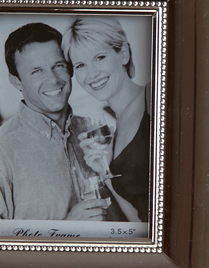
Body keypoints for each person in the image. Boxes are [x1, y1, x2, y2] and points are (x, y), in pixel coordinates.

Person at [0, 22, 110, 221]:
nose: (53, 80)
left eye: (58, 66)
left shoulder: (97, 131)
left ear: (70, 69)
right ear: (16, 81)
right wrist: (67, 230)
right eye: (36, 71)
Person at [61, 16, 150, 223]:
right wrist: (105, 171)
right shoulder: (115, 129)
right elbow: (139, 221)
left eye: (99, 57)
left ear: (124, 54)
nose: (91, 74)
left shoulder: (154, 99)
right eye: (80, 65)